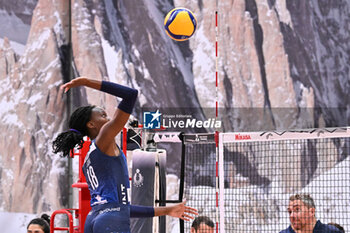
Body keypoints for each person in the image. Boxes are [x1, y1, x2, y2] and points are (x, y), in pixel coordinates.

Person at [52, 77, 198, 233]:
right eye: (103, 116)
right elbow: (130, 94)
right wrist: (86, 82)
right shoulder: (104, 138)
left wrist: (167, 210)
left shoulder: (89, 157)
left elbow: (120, 208)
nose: (109, 119)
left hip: (93, 218)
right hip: (111, 219)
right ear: (91, 124)